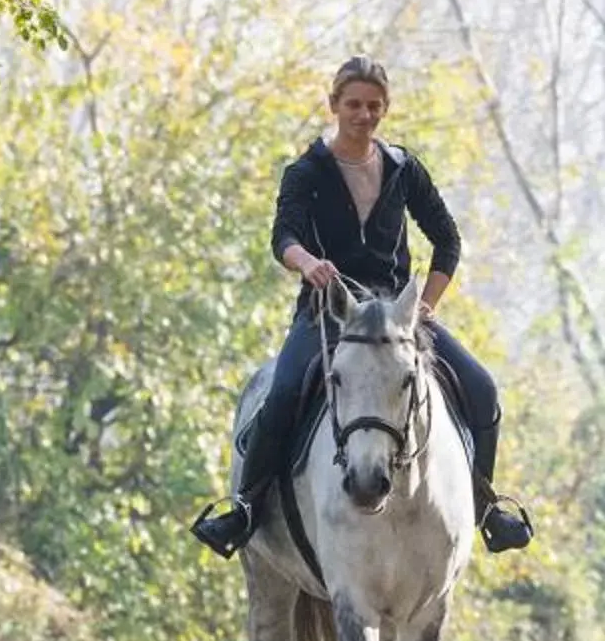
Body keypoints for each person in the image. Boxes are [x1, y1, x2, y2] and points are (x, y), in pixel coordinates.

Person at [192, 56, 534, 558]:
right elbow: (282, 235)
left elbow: (447, 240)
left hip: (396, 316)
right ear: (334, 105)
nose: (363, 115)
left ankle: (485, 507)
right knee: (284, 390)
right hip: (329, 312)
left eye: (374, 106)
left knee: (481, 387)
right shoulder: (307, 170)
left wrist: (426, 306)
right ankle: (245, 507)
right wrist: (307, 263)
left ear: (385, 109)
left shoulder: (403, 168)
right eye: (353, 104)